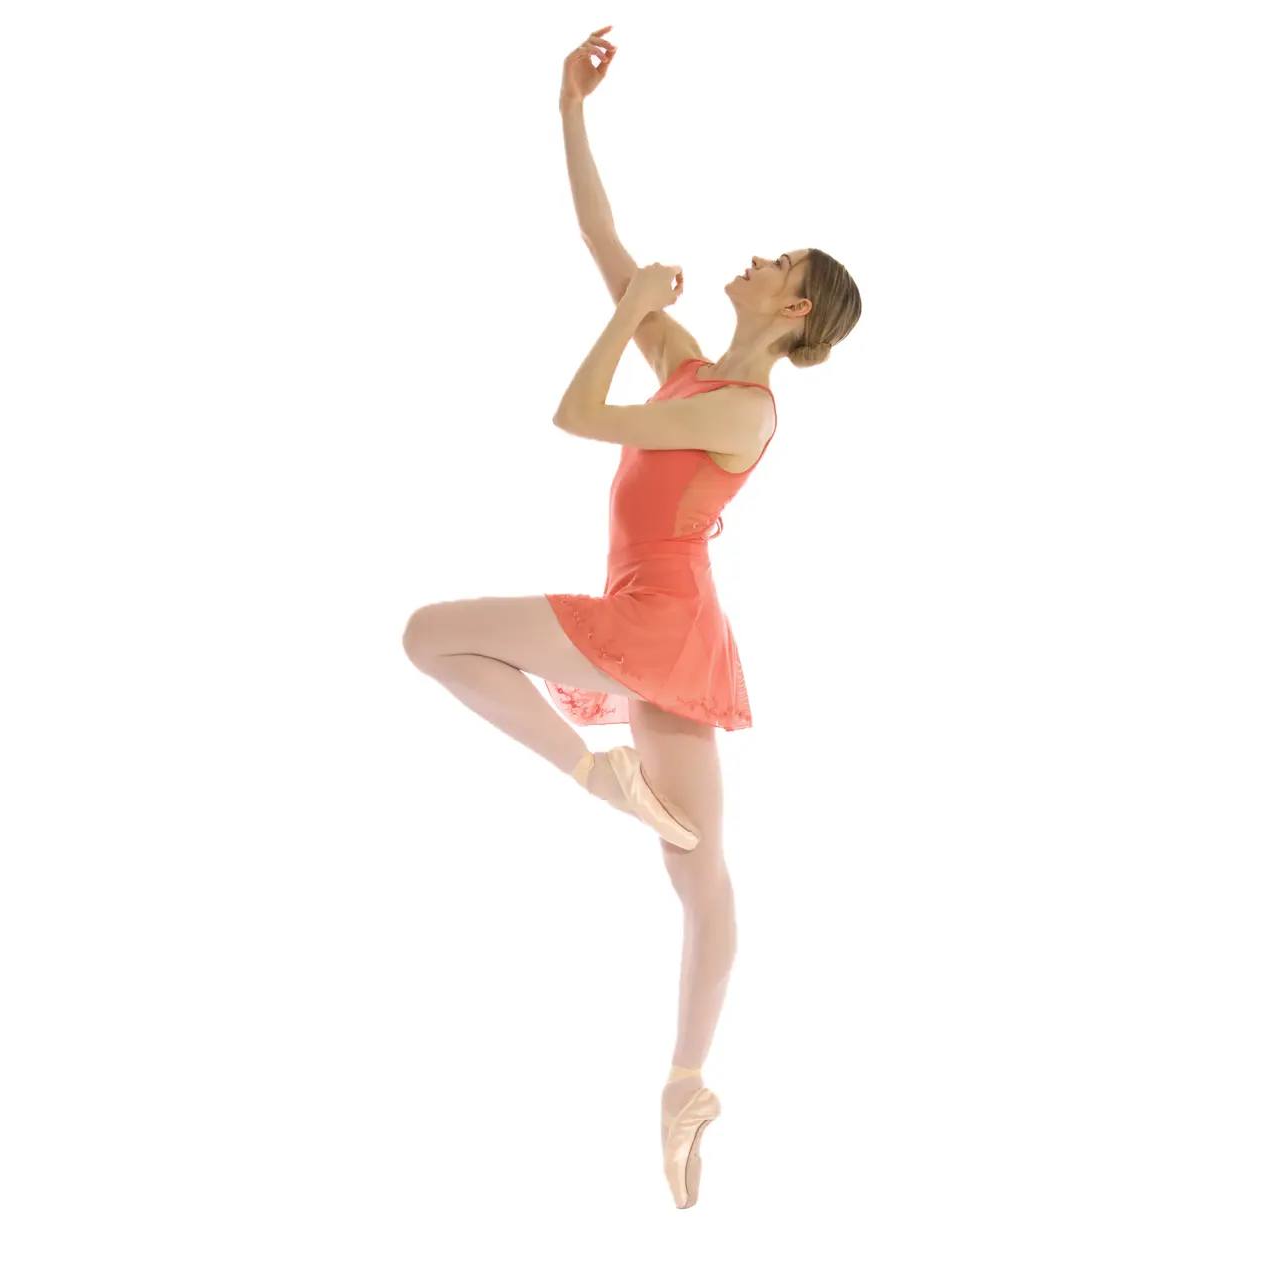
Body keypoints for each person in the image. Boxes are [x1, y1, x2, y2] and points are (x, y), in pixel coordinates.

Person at [401, 25, 861, 1209]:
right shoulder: (693, 366)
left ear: (793, 303)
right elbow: (603, 241)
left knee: (431, 634)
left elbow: (575, 413)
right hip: (667, 622)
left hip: (656, 617)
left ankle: (595, 778)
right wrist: (570, 110)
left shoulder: (738, 408)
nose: (751, 257)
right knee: (698, 868)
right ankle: (685, 1085)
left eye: (774, 260)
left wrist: (630, 314)